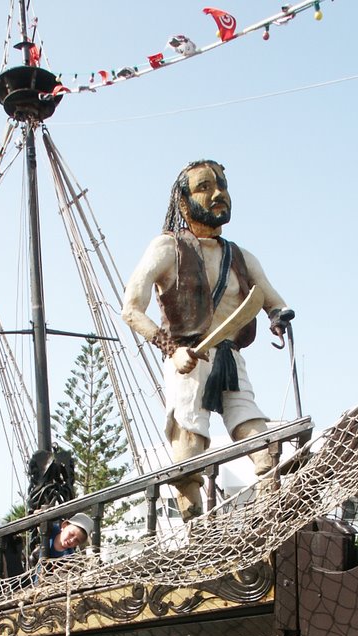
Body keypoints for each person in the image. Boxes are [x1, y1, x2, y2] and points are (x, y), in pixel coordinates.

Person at [122, 159, 293, 520]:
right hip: (189, 357)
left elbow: (272, 301)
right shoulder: (167, 248)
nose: (218, 194)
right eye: (204, 187)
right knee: (189, 435)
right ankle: (194, 528)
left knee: (257, 432)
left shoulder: (241, 258)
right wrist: (171, 348)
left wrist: (278, 317)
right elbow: (131, 309)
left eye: (222, 186)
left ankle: (271, 514)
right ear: (183, 203)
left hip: (230, 356)